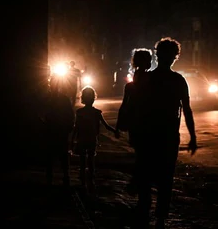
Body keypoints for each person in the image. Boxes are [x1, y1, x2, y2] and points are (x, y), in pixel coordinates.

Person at [134, 37, 198, 228]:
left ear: (157, 55)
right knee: (166, 177)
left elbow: (137, 107)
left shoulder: (147, 79)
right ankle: (160, 217)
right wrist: (193, 137)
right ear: (174, 58)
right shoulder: (178, 80)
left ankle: (144, 210)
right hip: (168, 136)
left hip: (148, 134)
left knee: (145, 174)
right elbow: (186, 109)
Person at [115, 48, 153, 192]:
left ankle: (138, 182)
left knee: (140, 154)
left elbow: (124, 106)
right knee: (145, 155)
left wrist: (119, 126)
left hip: (135, 124)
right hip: (148, 123)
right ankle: (141, 183)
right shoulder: (152, 81)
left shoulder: (131, 86)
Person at [71, 86, 119, 192]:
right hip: (92, 139)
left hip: (82, 139)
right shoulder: (97, 113)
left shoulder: (79, 112)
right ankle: (91, 180)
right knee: (91, 160)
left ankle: (83, 180)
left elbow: (76, 127)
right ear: (93, 98)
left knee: (82, 160)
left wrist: (72, 140)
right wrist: (115, 131)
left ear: (83, 98)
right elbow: (106, 126)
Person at [42, 75, 75, 186]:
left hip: (51, 129)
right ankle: (65, 176)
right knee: (62, 154)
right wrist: (69, 126)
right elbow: (70, 115)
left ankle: (50, 176)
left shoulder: (47, 99)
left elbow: (42, 114)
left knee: (50, 154)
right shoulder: (64, 99)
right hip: (60, 129)